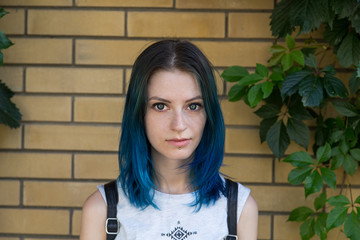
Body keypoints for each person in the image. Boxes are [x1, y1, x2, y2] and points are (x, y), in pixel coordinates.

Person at [80, 40, 258, 240]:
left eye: (193, 106)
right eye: (161, 106)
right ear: (139, 113)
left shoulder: (239, 208)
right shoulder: (101, 209)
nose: (179, 125)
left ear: (209, 114)